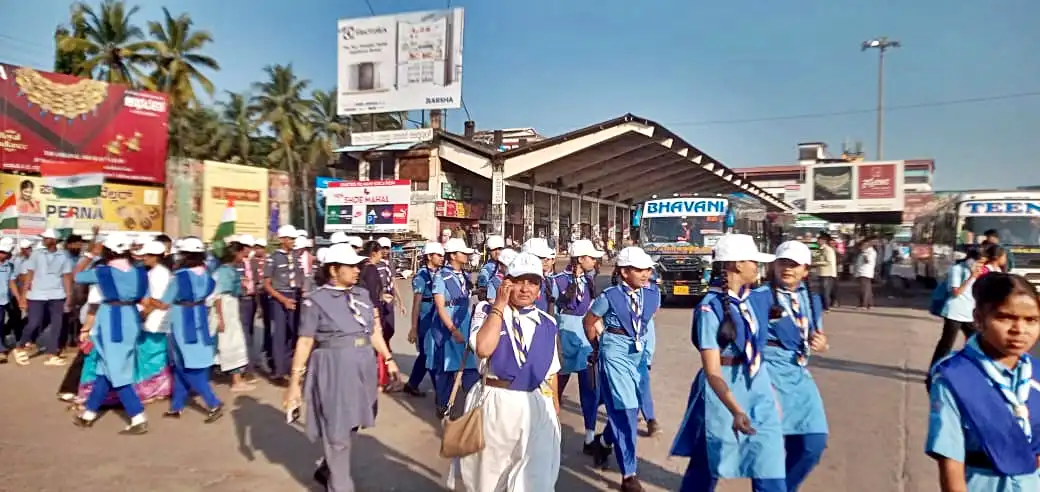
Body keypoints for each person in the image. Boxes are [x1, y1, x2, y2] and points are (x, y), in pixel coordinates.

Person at [671, 234, 786, 492]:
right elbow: (712, 372)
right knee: (709, 460)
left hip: (754, 383)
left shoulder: (749, 301)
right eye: (753, 262)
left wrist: (769, 394)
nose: (758, 267)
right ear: (736, 265)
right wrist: (736, 409)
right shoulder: (709, 309)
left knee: (769, 461)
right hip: (721, 389)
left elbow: (757, 350)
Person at [284, 243, 399, 492]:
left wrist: (388, 359)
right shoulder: (316, 300)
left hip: (363, 366)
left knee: (356, 419)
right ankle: (340, 484)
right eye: (351, 266)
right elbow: (305, 342)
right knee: (337, 432)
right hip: (333, 367)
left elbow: (373, 332)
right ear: (334, 270)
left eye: (358, 265)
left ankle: (328, 466)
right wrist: (294, 384)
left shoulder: (362, 295)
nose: (357, 270)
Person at [453, 252, 562, 491]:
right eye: (518, 280)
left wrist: (554, 409)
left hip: (534, 406)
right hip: (496, 403)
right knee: (489, 479)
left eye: (532, 282)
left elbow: (551, 372)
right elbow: (483, 348)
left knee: (536, 480)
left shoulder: (548, 323)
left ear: (540, 287)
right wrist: (499, 306)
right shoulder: (486, 311)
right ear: (506, 282)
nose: (525, 288)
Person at [926, 273, 1040, 491]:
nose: (1019, 330)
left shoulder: (1036, 374)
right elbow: (951, 461)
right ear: (978, 318)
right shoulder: (955, 377)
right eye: (1005, 317)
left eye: (1031, 320)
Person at [749, 241, 829, 491]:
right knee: (767, 450)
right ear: (774, 265)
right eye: (783, 263)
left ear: (806, 270)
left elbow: (816, 333)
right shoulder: (758, 298)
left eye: (794, 265)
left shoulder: (813, 299)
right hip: (767, 376)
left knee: (812, 443)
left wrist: (822, 343)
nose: (788, 269)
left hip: (798, 375)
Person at [583, 247, 661, 492]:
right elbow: (589, 320)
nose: (645, 273)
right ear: (624, 272)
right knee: (626, 409)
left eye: (648, 268)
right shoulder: (610, 296)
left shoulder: (653, 294)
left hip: (637, 351)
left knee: (629, 405)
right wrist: (598, 346)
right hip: (614, 350)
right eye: (639, 269)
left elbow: (647, 322)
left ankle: (604, 442)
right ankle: (629, 475)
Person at [70, 234, 151, 434]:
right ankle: (89, 414)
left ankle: (137, 416)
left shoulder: (102, 271)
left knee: (116, 372)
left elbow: (76, 274)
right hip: (131, 318)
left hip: (112, 320)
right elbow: (145, 299)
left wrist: (89, 254)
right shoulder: (140, 272)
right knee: (104, 370)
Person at [160, 237, 223, 422]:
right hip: (199, 316)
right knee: (181, 364)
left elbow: (165, 302)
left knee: (187, 366)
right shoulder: (207, 274)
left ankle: (213, 402)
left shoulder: (179, 277)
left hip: (182, 319)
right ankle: (176, 406)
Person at [552, 239, 605, 450]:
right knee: (555, 389)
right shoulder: (557, 281)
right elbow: (551, 313)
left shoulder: (591, 281)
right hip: (563, 337)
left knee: (589, 387)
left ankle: (590, 436)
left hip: (585, 338)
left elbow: (592, 312)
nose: (595, 261)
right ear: (581, 259)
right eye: (592, 257)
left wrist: (600, 336)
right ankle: (550, 432)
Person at [429, 238, 480, 418]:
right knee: (446, 366)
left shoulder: (464, 275)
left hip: (464, 321)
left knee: (470, 365)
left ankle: (474, 404)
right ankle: (443, 405)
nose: (466, 255)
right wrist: (453, 329)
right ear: (452, 255)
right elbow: (440, 307)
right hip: (448, 324)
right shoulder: (441, 276)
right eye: (462, 253)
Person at [13, 228, 73, 366]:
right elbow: (29, 275)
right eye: (44, 238)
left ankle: (52, 354)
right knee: (34, 322)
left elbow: (66, 277)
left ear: (54, 240)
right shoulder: (36, 254)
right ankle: (20, 346)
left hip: (57, 293)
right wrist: (23, 296)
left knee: (57, 324)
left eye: (46, 238)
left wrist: (68, 296)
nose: (44, 240)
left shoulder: (63, 256)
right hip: (37, 294)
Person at [927, 248, 982, 389]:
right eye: (978, 262)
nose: (979, 266)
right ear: (971, 260)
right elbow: (956, 292)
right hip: (954, 312)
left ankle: (969, 370)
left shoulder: (979, 271)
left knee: (976, 342)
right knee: (946, 344)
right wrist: (971, 277)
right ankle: (934, 371)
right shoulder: (957, 269)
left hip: (969, 313)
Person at [211, 240, 254, 393]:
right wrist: (221, 318)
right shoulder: (222, 272)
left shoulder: (229, 270)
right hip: (225, 308)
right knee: (232, 343)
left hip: (231, 307)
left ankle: (236, 377)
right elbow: (218, 296)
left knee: (233, 341)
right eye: (243, 253)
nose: (244, 256)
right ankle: (236, 381)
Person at [404, 242, 444, 397]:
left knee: (426, 354)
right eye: (438, 255)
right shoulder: (421, 276)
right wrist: (413, 327)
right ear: (429, 256)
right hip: (426, 318)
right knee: (429, 353)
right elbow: (416, 304)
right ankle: (440, 390)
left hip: (438, 316)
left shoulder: (440, 273)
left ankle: (412, 383)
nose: (441, 258)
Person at [265, 225, 301, 385]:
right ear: (282, 240)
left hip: (294, 295)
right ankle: (278, 372)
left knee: (291, 334)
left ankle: (288, 368)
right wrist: (283, 300)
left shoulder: (295, 256)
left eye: (294, 239)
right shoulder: (273, 258)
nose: (293, 241)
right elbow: (267, 284)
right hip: (280, 298)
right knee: (279, 334)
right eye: (290, 238)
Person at [234, 235, 262, 378]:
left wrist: (259, 305)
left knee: (249, 333)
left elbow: (257, 285)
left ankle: (248, 365)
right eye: (246, 247)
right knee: (243, 334)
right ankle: (245, 367)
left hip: (250, 301)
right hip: (239, 301)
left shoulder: (253, 264)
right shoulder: (235, 263)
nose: (248, 250)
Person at [521, 238, 556, 314]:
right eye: (540, 258)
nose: (545, 261)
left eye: (546, 258)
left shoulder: (546, 280)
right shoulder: (518, 282)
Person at [0, 240, 16, 364]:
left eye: (4, 252)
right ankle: (1, 350)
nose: (2, 255)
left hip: (4, 300)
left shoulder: (9, 266)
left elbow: (11, 283)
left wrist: (19, 297)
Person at [476, 235, 505, 301]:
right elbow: (482, 291)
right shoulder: (487, 268)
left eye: (500, 249)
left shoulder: (508, 265)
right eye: (494, 250)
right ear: (489, 251)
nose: (497, 252)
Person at [816, 234, 838, 310]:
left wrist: (816, 263)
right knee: (822, 290)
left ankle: (826, 306)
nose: (817, 242)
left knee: (826, 291)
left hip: (827, 273)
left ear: (823, 241)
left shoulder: (827, 250)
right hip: (822, 273)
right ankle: (823, 305)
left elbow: (828, 262)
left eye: (819, 240)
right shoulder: (821, 249)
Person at [854, 238, 877, 310]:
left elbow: (867, 260)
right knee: (868, 289)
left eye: (863, 245)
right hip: (862, 272)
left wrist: (864, 254)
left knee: (863, 289)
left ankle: (863, 304)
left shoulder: (869, 251)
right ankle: (870, 304)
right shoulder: (865, 251)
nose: (861, 246)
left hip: (865, 272)